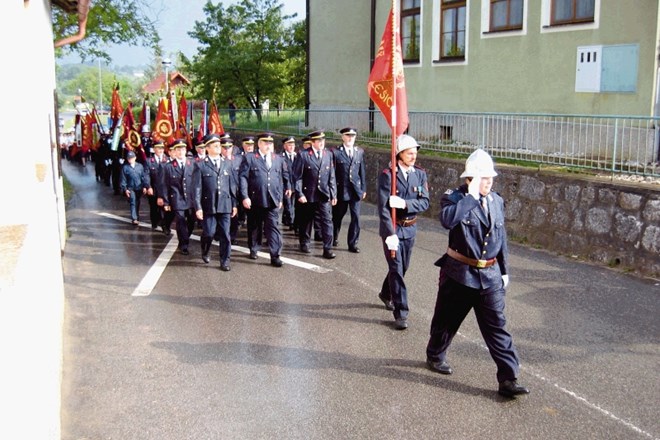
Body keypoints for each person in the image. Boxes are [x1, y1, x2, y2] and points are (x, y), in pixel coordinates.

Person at [425, 148, 530, 399]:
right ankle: (435, 354)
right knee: (447, 321)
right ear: (469, 179)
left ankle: (508, 377)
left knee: (497, 327)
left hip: (490, 275)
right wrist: (470, 198)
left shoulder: (496, 200)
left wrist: (504, 270)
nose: (489, 182)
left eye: (491, 177)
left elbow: (500, 237)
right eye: (483, 178)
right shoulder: (454, 197)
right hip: (459, 273)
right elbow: (447, 220)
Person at [377, 134, 430, 330]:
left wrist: (405, 203)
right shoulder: (388, 175)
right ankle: (401, 313)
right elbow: (383, 208)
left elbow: (425, 201)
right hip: (393, 228)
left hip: (410, 228)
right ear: (399, 154)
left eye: (415, 153)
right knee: (397, 269)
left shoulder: (420, 174)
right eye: (409, 153)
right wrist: (389, 233)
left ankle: (386, 293)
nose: (413, 156)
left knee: (402, 268)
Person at [239, 133, 290, 267]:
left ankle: (275, 255)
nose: (268, 146)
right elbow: (243, 178)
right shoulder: (250, 158)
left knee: (273, 227)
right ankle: (254, 248)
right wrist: (245, 196)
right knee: (255, 225)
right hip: (255, 198)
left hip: (272, 199)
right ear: (259, 144)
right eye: (265, 143)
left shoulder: (277, 159)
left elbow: (279, 180)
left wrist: (279, 198)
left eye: (270, 143)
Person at [193, 134, 238, 271]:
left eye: (219, 144)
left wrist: (234, 204)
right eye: (215, 145)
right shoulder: (200, 165)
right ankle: (205, 250)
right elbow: (197, 188)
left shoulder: (227, 163)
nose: (219, 147)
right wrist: (198, 207)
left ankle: (225, 261)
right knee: (209, 233)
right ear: (207, 148)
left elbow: (232, 186)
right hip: (209, 205)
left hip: (225, 204)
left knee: (225, 234)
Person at [292, 130, 337, 259]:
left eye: (323, 141)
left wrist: (333, 194)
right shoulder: (303, 155)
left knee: (327, 221)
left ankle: (327, 248)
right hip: (308, 193)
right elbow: (297, 177)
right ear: (312, 142)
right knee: (306, 220)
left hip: (323, 194)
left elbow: (331, 176)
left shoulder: (328, 154)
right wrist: (300, 193)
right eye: (318, 141)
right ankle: (305, 242)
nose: (322, 143)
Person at [158, 138, 197, 255]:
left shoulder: (193, 164)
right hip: (177, 198)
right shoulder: (168, 167)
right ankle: (184, 244)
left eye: (182, 149)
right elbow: (164, 185)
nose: (180, 152)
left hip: (191, 199)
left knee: (191, 221)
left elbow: (197, 183)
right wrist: (166, 202)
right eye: (178, 150)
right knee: (180, 221)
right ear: (174, 152)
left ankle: (186, 237)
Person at [331, 127, 367, 253]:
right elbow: (332, 173)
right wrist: (333, 191)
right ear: (342, 137)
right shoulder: (335, 152)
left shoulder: (359, 152)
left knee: (356, 218)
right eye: (347, 135)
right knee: (337, 216)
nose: (350, 138)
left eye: (353, 136)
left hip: (355, 190)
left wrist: (363, 188)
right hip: (342, 190)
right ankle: (333, 237)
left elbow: (362, 171)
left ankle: (353, 243)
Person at [145, 140, 173, 234]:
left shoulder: (168, 160)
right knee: (154, 207)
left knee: (166, 208)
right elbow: (146, 175)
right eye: (158, 148)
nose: (160, 150)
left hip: (165, 190)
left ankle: (165, 225)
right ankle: (155, 221)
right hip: (154, 188)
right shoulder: (149, 161)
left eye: (162, 148)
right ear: (154, 149)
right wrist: (148, 186)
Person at [119, 150, 150, 225]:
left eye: (132, 158)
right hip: (131, 188)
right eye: (129, 158)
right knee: (133, 201)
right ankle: (134, 218)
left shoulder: (140, 166)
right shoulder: (125, 168)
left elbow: (143, 177)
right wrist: (125, 189)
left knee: (137, 202)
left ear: (135, 158)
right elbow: (123, 179)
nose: (130, 159)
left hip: (139, 187)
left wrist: (145, 187)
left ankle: (136, 215)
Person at [280, 136, 297, 230]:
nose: (291, 147)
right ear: (284, 146)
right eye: (289, 145)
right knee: (288, 204)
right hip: (285, 185)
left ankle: (287, 219)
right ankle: (292, 223)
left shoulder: (297, 156)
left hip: (295, 185)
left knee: (293, 204)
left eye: (293, 145)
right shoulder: (281, 157)